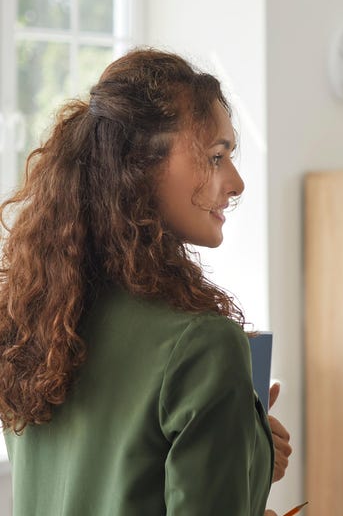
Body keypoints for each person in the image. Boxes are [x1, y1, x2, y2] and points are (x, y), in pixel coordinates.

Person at [0, 48, 290, 516]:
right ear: (140, 167)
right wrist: (249, 461)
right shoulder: (202, 344)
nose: (236, 182)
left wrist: (249, 453)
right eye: (216, 156)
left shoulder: (33, 322)